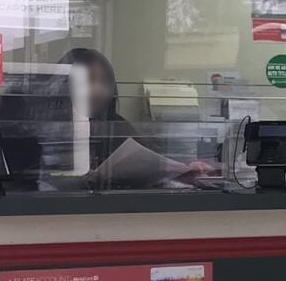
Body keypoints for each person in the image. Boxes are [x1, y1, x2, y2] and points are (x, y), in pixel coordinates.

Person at [59, 47, 220, 186]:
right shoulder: (56, 128)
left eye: (104, 80)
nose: (98, 88)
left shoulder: (118, 126)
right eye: (88, 79)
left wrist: (184, 171)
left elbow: (151, 167)